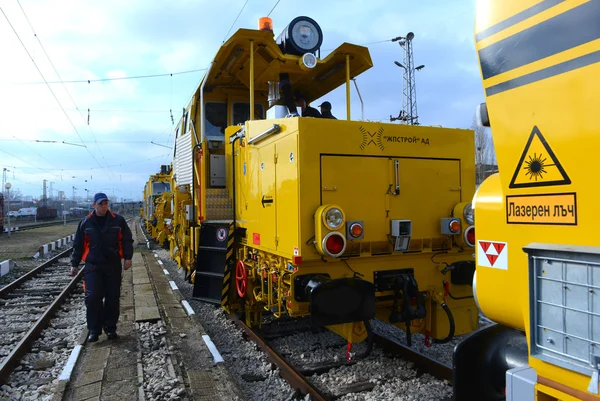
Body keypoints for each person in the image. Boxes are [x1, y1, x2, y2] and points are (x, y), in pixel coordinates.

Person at [71, 192, 133, 342]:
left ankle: (110, 328)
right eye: (100, 204)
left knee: (112, 298)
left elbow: (126, 240)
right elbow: (78, 245)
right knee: (92, 298)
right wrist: (74, 264)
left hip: (112, 265)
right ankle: (94, 330)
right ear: (94, 205)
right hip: (93, 266)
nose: (104, 206)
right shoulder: (86, 223)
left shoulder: (118, 220)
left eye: (105, 203)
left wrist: (128, 258)